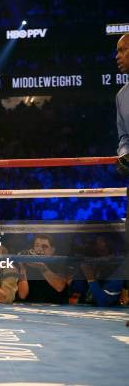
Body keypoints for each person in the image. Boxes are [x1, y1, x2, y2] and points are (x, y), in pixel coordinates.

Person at [112, 34, 129, 311]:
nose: (117, 56)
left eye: (123, 50)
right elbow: (123, 136)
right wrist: (124, 155)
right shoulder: (121, 95)